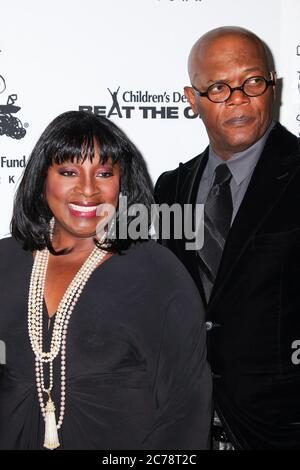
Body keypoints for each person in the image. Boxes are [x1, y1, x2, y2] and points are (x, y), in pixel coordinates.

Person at [0, 110, 212, 450]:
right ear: (42, 178)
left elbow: (185, 407)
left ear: (122, 183)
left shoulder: (158, 274)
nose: (87, 190)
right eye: (68, 171)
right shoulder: (5, 261)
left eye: (104, 173)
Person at [155, 26, 300, 450]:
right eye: (218, 87)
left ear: (273, 86)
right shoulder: (170, 189)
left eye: (252, 82)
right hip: (184, 424)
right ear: (192, 98)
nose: (238, 98)